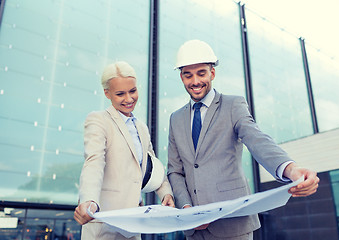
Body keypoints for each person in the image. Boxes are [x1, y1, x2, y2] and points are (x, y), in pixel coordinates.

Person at [167, 39, 319, 240]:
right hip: (195, 229)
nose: (195, 81)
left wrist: (291, 169)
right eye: (188, 75)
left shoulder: (233, 105)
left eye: (201, 73)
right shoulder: (175, 119)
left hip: (233, 223)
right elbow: (175, 171)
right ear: (181, 77)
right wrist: (187, 209)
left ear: (212, 73)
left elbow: (257, 140)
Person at [74, 61, 174, 240]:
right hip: (104, 225)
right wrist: (89, 200)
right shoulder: (98, 120)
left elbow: (153, 165)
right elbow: (94, 162)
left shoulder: (142, 128)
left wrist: (165, 193)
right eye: (120, 94)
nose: (129, 99)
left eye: (133, 91)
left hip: (133, 226)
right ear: (107, 93)